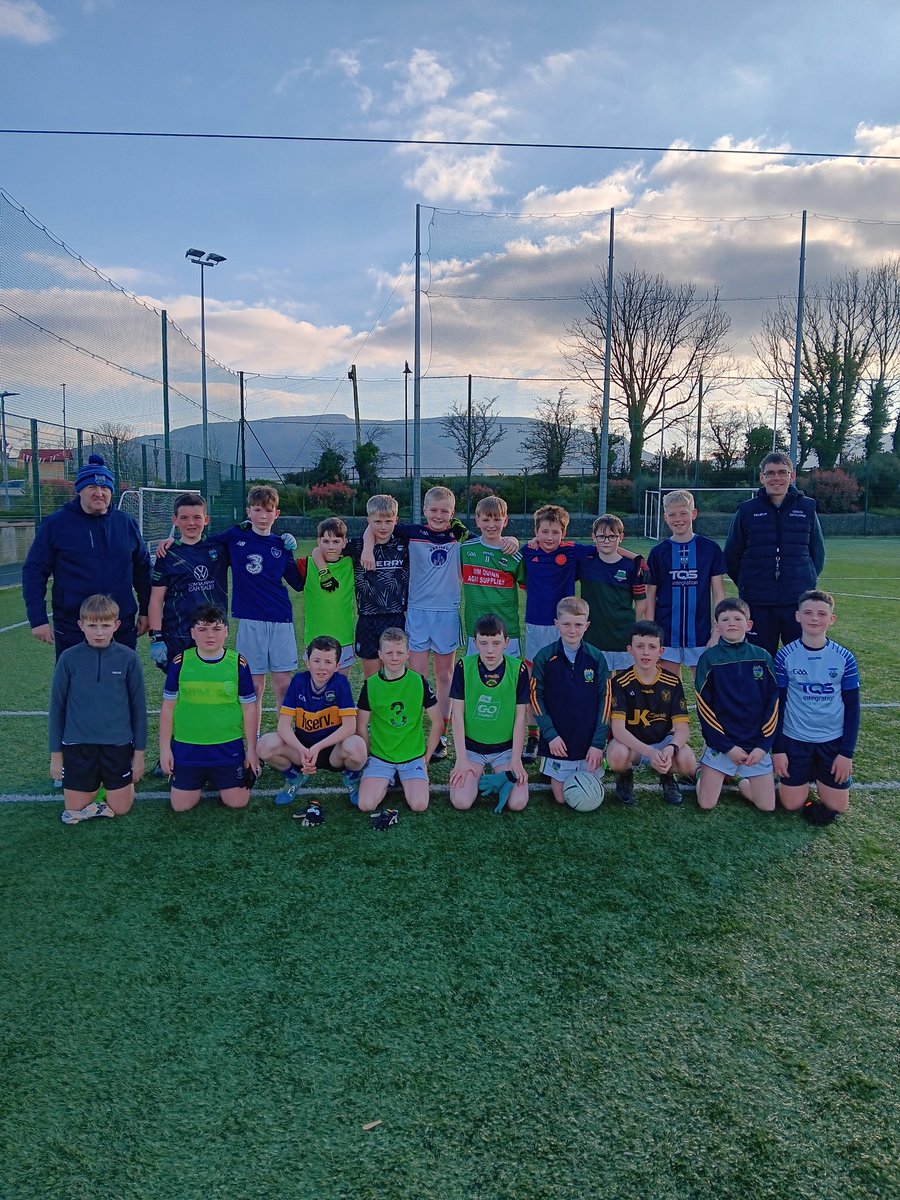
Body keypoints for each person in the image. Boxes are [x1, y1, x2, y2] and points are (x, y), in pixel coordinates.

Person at [23, 454, 151, 657]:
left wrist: (146, 610)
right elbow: (34, 572)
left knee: (121, 683)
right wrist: (38, 619)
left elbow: (143, 570)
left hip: (120, 624)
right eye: (92, 487)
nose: (99, 493)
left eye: (105, 488)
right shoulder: (55, 524)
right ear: (79, 489)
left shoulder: (125, 523)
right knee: (77, 685)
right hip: (74, 626)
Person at [49, 593, 147, 824]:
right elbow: (57, 708)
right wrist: (56, 756)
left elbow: (138, 709)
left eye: (105, 625)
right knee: (75, 807)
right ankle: (99, 786)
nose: (99, 632)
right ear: (81, 626)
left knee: (121, 809)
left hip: (118, 743)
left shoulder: (129, 658)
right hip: (78, 744)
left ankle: (114, 786)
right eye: (92, 625)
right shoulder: (68, 658)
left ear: (117, 625)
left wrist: (139, 755)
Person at [158, 604, 259, 813]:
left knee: (237, 802)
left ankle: (216, 776)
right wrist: (165, 749)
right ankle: (196, 777)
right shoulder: (180, 663)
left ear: (226, 632)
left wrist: (251, 751)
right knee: (181, 806)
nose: (209, 635)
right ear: (192, 633)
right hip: (187, 747)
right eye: (202, 629)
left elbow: (249, 710)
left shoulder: (238, 664)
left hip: (226, 747)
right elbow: (168, 709)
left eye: (216, 629)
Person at [724, 451, 826, 657]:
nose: (776, 478)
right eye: (770, 473)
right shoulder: (747, 510)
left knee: (799, 659)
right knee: (759, 661)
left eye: (782, 472)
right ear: (762, 477)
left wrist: (805, 580)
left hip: (796, 599)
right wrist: (747, 582)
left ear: (792, 476)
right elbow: (732, 555)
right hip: (757, 601)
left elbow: (817, 553)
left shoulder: (807, 508)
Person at [257, 635, 367, 823]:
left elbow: (350, 726)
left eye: (328, 662)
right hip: (302, 750)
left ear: (337, 665)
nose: (321, 667)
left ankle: (351, 778)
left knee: (357, 746)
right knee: (265, 745)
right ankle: (294, 777)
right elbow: (283, 726)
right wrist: (302, 750)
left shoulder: (340, 683)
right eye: (316, 660)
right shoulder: (299, 682)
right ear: (307, 662)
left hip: (333, 752)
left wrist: (317, 748)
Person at [772, 589, 860, 824]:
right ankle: (802, 776)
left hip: (832, 742)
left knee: (837, 807)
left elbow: (852, 708)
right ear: (797, 616)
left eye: (822, 614)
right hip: (795, 740)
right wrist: (778, 750)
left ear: (831, 619)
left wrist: (846, 754)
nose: (814, 618)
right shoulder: (785, 656)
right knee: (791, 805)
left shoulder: (844, 657)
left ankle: (816, 774)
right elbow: (777, 706)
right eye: (808, 612)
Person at [520, 504, 595, 761]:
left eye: (555, 532)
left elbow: (609, 548)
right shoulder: (527, 552)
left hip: (566, 626)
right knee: (533, 681)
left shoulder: (572, 551)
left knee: (563, 681)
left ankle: (563, 732)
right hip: (536, 625)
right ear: (536, 531)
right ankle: (533, 736)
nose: (549, 537)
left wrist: (639, 559)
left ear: (564, 533)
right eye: (544, 531)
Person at [312, 493, 409, 681]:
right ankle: (372, 711)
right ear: (368, 520)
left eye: (388, 521)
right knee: (371, 679)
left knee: (395, 675)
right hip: (368, 620)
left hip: (396, 616)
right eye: (377, 521)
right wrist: (324, 572)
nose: (383, 526)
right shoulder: (357, 546)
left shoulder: (403, 543)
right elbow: (318, 550)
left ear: (396, 520)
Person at [694, 598, 778, 812]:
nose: (731, 623)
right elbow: (705, 709)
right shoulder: (709, 659)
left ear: (748, 625)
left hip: (755, 744)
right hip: (723, 744)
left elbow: (773, 702)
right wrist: (727, 747)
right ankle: (702, 772)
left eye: (738, 618)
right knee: (706, 804)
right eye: (725, 619)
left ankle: (741, 780)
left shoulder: (762, 657)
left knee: (767, 806)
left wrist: (763, 746)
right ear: (717, 626)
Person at [605, 620, 695, 807]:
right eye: (640, 646)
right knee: (615, 755)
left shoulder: (672, 682)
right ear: (630, 649)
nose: (646, 652)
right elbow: (618, 730)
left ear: (660, 651)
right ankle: (625, 775)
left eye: (652, 647)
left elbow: (682, 729)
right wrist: (649, 752)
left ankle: (667, 775)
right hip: (633, 746)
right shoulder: (620, 682)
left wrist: (670, 749)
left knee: (688, 762)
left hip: (662, 743)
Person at [355, 627, 443, 815]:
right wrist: (370, 753)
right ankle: (387, 777)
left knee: (419, 805)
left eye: (399, 652)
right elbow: (361, 725)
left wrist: (425, 757)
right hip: (381, 757)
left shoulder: (418, 682)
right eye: (389, 652)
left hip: (412, 757)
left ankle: (407, 776)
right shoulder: (370, 685)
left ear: (408, 654)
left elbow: (437, 722)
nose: (394, 657)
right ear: (380, 654)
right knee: (366, 805)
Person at [530, 597, 608, 805]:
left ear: (587, 626)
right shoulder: (544, 657)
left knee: (590, 795)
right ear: (556, 624)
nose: (572, 630)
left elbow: (606, 701)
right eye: (566, 624)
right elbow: (535, 698)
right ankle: (554, 768)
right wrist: (551, 735)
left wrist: (597, 744)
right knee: (562, 799)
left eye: (578, 625)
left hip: (587, 741)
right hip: (558, 741)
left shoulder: (596, 657)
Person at [448, 614, 530, 812]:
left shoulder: (518, 669)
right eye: (483, 643)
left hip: (505, 750)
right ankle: (478, 775)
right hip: (472, 749)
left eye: (496, 642)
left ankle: (494, 775)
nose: (490, 650)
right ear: (475, 643)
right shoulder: (463, 666)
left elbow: (520, 718)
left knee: (517, 803)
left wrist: (515, 760)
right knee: (461, 801)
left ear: (506, 642)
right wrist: (461, 759)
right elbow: (457, 715)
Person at [645, 489, 726, 677]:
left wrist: (717, 631)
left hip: (701, 633)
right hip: (666, 632)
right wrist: (651, 630)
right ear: (665, 517)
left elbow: (719, 592)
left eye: (683, 513)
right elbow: (650, 595)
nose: (678, 518)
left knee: (705, 687)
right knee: (668, 689)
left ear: (694, 514)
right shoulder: (658, 552)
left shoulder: (709, 548)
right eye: (672, 514)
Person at [147, 491, 229, 670]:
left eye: (197, 517)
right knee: (178, 689)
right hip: (177, 634)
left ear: (206, 520)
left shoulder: (219, 548)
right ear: (174, 520)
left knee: (210, 686)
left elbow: (246, 538)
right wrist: (155, 636)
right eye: (184, 518)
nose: (191, 523)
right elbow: (156, 599)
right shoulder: (167, 554)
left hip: (211, 631)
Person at [577, 514, 647, 672]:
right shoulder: (585, 564)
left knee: (625, 684)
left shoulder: (631, 567)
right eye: (601, 536)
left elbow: (641, 600)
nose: (606, 541)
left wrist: (634, 625)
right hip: (595, 635)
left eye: (612, 536)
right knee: (601, 686)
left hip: (624, 635)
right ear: (593, 537)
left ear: (620, 537)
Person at [460, 494, 526, 657]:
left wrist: (514, 541)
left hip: (507, 628)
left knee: (509, 677)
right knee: (475, 676)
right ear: (477, 521)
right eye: (486, 520)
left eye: (497, 520)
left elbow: (528, 587)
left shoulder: (514, 555)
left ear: (505, 521)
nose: (491, 525)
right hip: (475, 628)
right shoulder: (465, 550)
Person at [298, 516, 356, 676]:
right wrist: (323, 571)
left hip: (343, 639)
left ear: (344, 542)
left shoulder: (351, 564)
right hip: (315, 639)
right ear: (318, 541)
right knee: (316, 689)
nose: (331, 547)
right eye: (325, 541)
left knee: (340, 687)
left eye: (336, 541)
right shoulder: (307, 564)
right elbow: (315, 553)